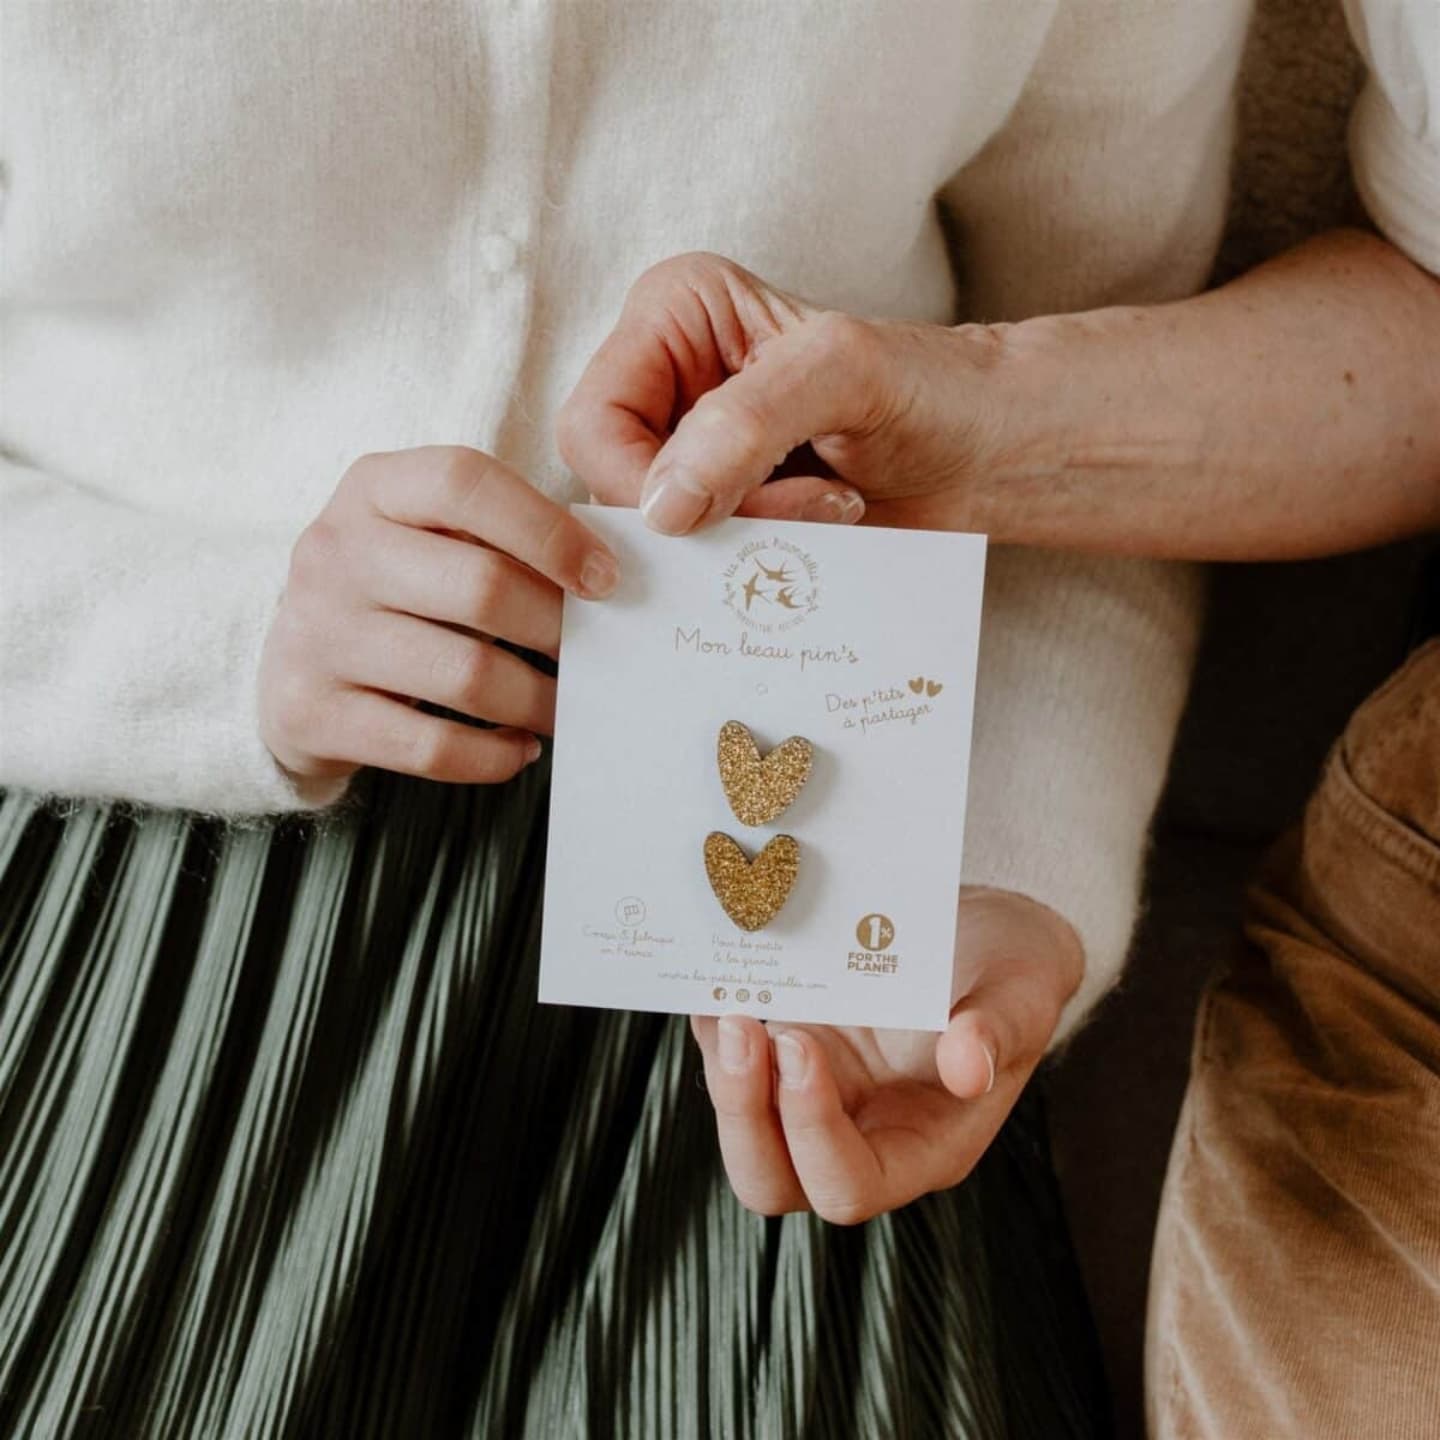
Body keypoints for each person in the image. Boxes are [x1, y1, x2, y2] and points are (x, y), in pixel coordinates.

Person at [0, 1, 1417, 1435]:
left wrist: (1006, 868)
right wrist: (221, 638)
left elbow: (1090, 466)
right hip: (146, 878)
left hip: (800, 954)